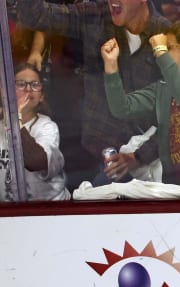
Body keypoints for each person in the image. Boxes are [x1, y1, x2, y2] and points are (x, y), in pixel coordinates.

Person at [16, 0, 170, 185]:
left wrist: (138, 156)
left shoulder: (166, 35)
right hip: (96, 153)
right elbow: (38, 16)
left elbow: (177, 114)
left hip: (153, 163)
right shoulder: (95, 15)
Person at [101, 18, 180, 189]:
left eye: (169, 48)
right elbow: (122, 108)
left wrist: (160, 50)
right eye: (162, 49)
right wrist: (111, 66)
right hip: (177, 189)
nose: (159, 53)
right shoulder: (164, 88)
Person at [1, 63, 71, 202]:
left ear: (41, 96)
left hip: (50, 211)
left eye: (35, 85)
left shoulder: (47, 126)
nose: (28, 89)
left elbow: (36, 161)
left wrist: (17, 117)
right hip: (8, 214)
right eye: (21, 84)